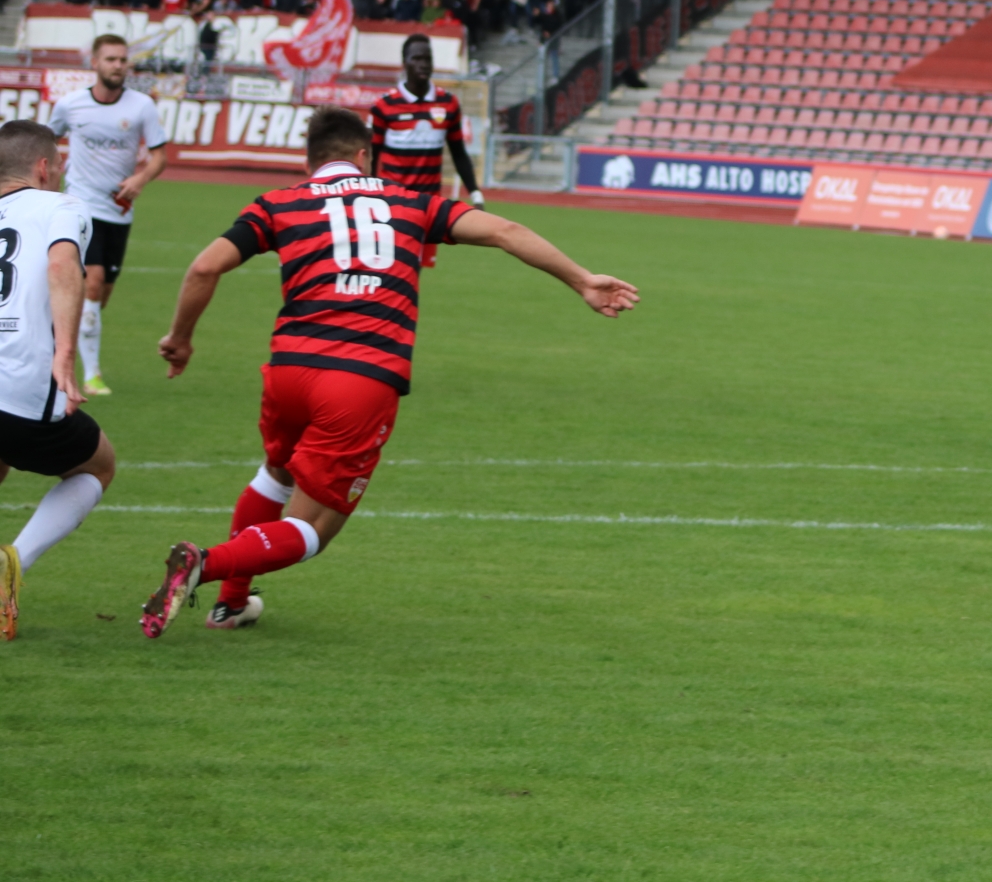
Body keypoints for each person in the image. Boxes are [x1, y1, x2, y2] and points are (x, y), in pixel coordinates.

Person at [139, 107, 637, 635]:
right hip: (360, 378)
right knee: (312, 528)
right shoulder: (409, 202)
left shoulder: (278, 203)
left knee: (276, 473)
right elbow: (505, 230)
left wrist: (181, 339)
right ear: (364, 157)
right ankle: (205, 564)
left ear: (309, 163)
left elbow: (204, 266)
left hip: (289, 370)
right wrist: (582, 279)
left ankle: (232, 606)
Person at [0, 121, 117, 641]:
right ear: (44, 168)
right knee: (98, 465)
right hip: (22, 383)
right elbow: (63, 264)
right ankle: (13, 565)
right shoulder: (62, 206)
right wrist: (66, 351)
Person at [47, 34, 168, 398]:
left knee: (99, 298)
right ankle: (91, 375)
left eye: (122, 59)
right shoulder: (70, 105)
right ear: (95, 63)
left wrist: (140, 179)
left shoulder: (142, 106)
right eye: (111, 59)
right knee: (93, 283)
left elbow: (160, 156)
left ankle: (58, 341)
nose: (118, 65)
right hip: (80, 205)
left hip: (119, 212)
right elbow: (47, 143)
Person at [368, 33, 481, 269]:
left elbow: (458, 153)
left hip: (427, 207)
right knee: (388, 267)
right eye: (417, 58)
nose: (423, 64)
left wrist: (476, 194)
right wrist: (366, 193)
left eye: (427, 58)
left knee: (413, 269)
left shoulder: (448, 103)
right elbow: (371, 154)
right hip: (392, 204)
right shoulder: (384, 105)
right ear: (405, 63)